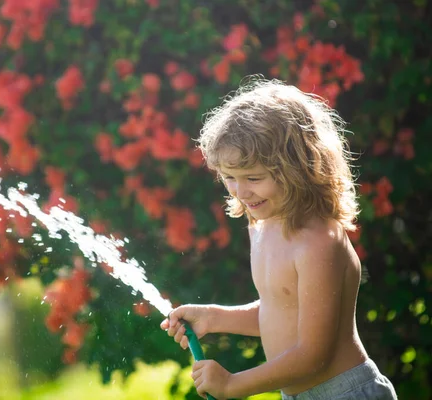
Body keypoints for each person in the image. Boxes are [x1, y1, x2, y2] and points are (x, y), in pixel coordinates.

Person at [160, 79, 397, 400]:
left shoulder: (318, 242)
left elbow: (314, 355)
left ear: (297, 169)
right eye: (230, 177)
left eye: (254, 178)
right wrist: (215, 317)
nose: (241, 192)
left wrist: (233, 384)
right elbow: (280, 309)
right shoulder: (261, 225)